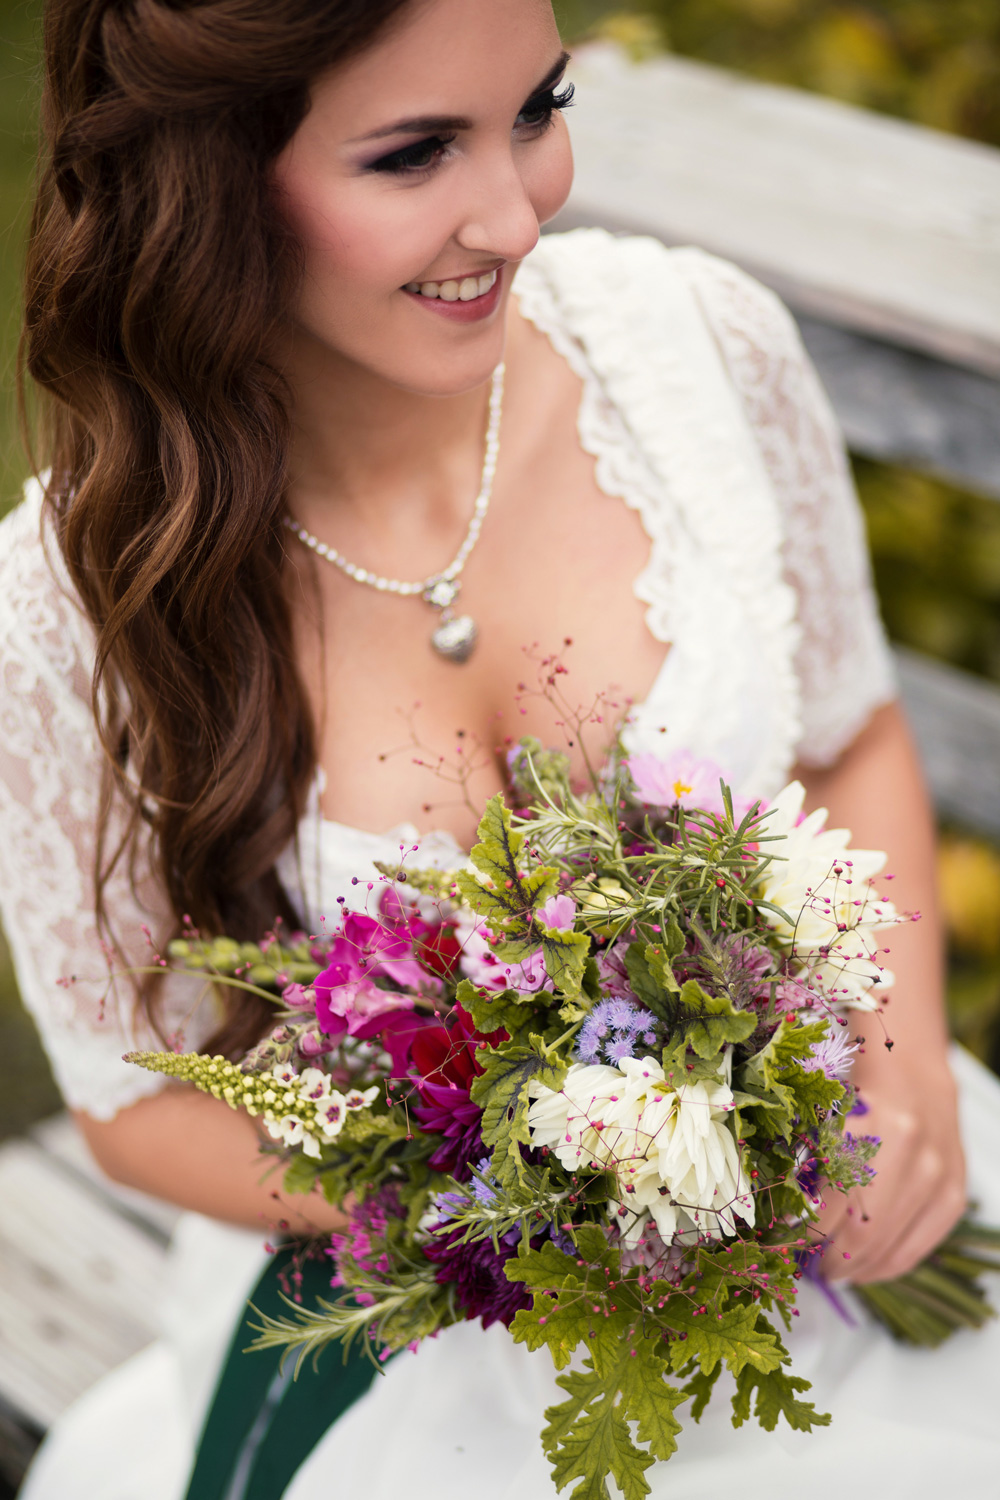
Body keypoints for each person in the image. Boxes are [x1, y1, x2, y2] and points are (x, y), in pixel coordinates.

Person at [1, 0, 998, 1495]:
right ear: (206, 183)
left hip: (852, 1177)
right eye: (415, 154)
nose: (518, 217)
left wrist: (904, 1081)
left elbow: (849, 736)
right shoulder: (73, 608)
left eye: (539, 110)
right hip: (440, 1323)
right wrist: (541, 1206)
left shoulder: (697, 349)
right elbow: (134, 1106)